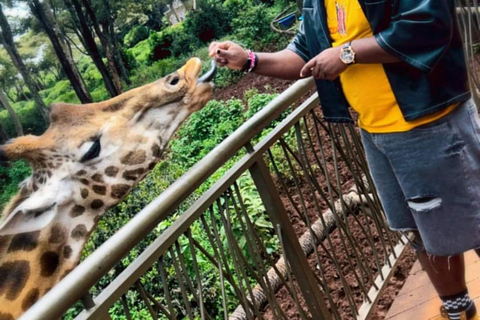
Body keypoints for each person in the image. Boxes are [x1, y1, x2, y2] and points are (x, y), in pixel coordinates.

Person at [209, 1, 480, 319]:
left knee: (475, 216)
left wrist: (347, 53)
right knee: (420, 228)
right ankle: (457, 305)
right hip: (376, 132)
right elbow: (304, 53)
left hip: (430, 122)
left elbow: (427, 24)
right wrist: (248, 60)